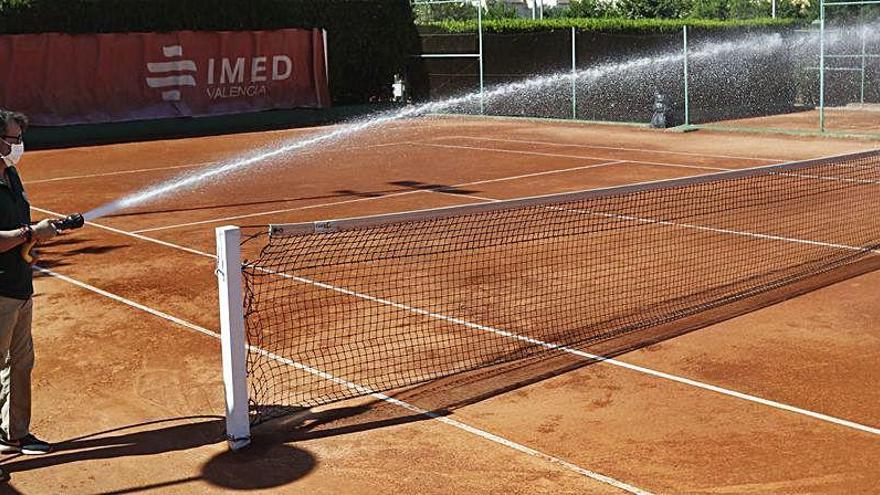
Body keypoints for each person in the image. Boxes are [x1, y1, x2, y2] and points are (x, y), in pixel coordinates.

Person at [0, 109, 58, 482]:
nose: (19, 146)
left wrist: (40, 233)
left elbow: (21, 229)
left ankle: (13, 434)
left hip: (21, 287)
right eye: (13, 138)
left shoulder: (13, 175)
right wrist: (30, 232)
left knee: (21, 363)